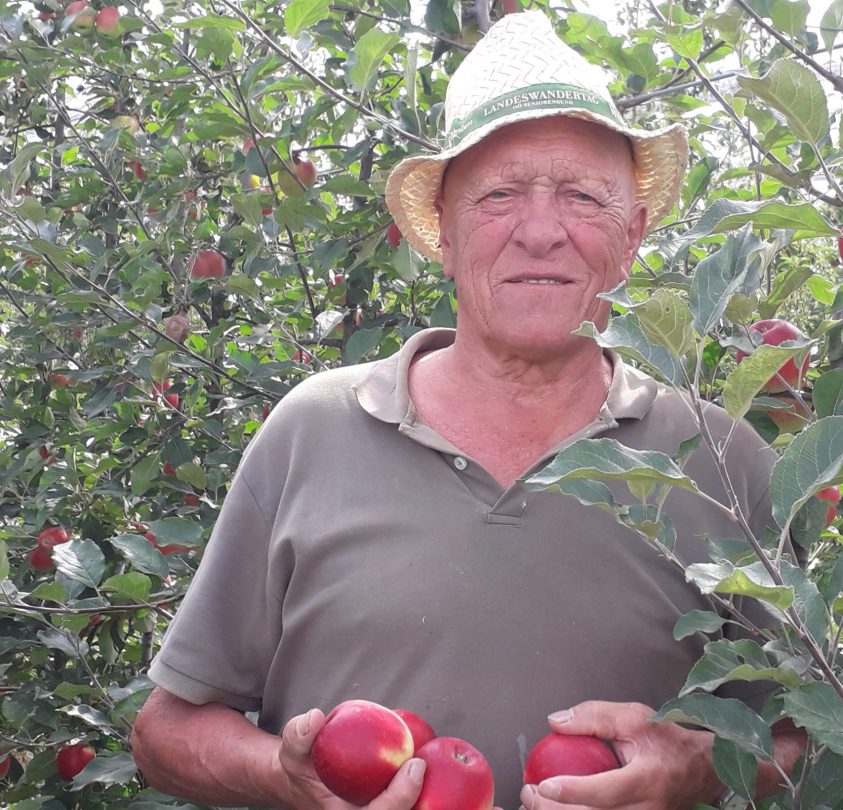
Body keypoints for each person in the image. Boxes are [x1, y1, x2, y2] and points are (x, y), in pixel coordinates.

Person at [130, 11, 806, 810]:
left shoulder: (721, 462)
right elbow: (166, 731)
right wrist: (284, 776)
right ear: (443, 235)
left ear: (634, 235)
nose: (542, 231)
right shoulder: (313, 430)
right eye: (499, 195)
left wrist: (698, 765)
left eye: (584, 197)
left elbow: (811, 731)